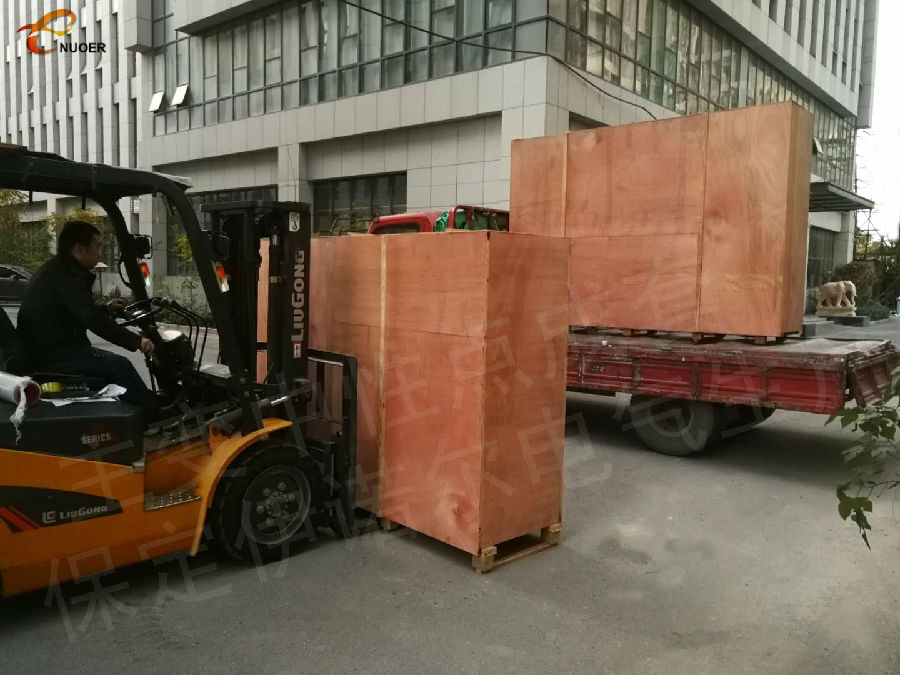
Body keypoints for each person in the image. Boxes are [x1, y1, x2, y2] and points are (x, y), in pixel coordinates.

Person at [17, 220, 159, 422]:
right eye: (97, 247)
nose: (100, 253)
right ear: (80, 249)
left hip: (51, 349)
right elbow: (92, 320)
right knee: (119, 366)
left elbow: (76, 311)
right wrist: (137, 341)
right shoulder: (68, 277)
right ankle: (154, 418)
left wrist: (106, 309)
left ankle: (144, 406)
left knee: (112, 365)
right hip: (53, 355)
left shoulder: (58, 270)